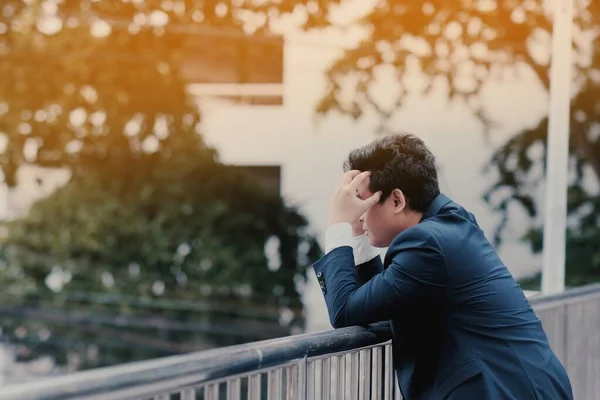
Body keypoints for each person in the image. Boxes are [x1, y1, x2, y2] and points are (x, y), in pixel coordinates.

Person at [313, 132, 573, 399]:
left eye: (362, 201)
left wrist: (339, 226)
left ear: (397, 200)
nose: (358, 213)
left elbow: (345, 310)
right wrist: (359, 235)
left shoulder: (427, 245)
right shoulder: (447, 227)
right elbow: (377, 306)